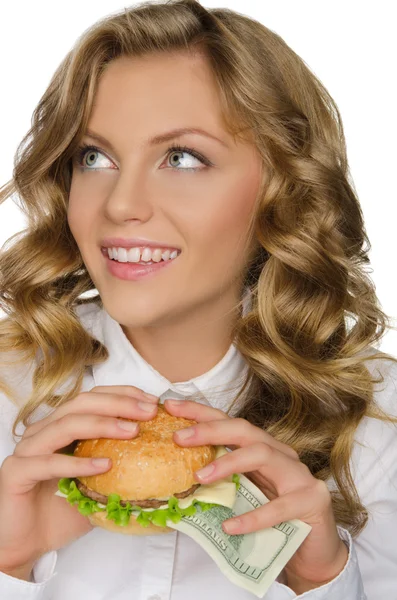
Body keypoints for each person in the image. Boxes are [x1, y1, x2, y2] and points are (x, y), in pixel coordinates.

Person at [0, 0, 396, 598]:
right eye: (95, 157)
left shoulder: (379, 427)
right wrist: (8, 561)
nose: (120, 204)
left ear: (284, 189)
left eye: (182, 158)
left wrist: (323, 578)